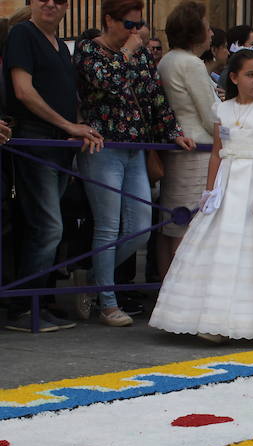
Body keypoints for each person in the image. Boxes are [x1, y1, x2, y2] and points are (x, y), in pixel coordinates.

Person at [150, 49, 253, 341]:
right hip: (229, 180)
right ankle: (215, 320)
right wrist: (210, 188)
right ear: (234, 77)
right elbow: (217, 152)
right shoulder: (223, 109)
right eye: (250, 75)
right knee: (221, 246)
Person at [75, 0, 195, 327]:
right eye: (129, 25)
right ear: (109, 21)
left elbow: (154, 96)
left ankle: (91, 274)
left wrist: (173, 131)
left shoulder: (140, 53)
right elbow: (107, 83)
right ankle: (108, 301)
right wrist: (126, 52)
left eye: (138, 25)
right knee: (108, 225)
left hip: (136, 147)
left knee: (141, 226)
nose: (135, 32)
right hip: (103, 147)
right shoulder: (89, 50)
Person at [3, 0, 104, 333]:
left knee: (43, 227)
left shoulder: (60, 45)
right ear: (30, 3)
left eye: (59, 0)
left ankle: (37, 302)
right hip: (36, 140)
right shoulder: (22, 33)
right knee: (49, 227)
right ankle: (23, 306)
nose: (51, 4)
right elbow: (23, 91)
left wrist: (77, 126)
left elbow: (66, 94)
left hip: (57, 143)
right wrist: (70, 126)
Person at [155, 0, 220, 279]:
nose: (212, 33)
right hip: (197, 149)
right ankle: (183, 289)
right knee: (190, 223)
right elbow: (210, 115)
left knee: (171, 222)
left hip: (180, 147)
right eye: (207, 27)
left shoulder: (168, 60)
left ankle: (166, 286)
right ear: (195, 31)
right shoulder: (191, 64)